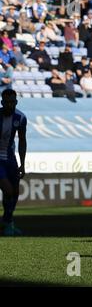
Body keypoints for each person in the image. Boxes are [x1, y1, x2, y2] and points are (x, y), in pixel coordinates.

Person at [0, 89, 27, 236]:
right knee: (8, 190)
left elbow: (22, 140)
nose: (9, 105)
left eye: (12, 102)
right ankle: (7, 223)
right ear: (2, 103)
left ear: (16, 102)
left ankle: (7, 221)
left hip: (10, 158)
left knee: (15, 192)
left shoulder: (21, 117)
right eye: (6, 102)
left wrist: (22, 163)